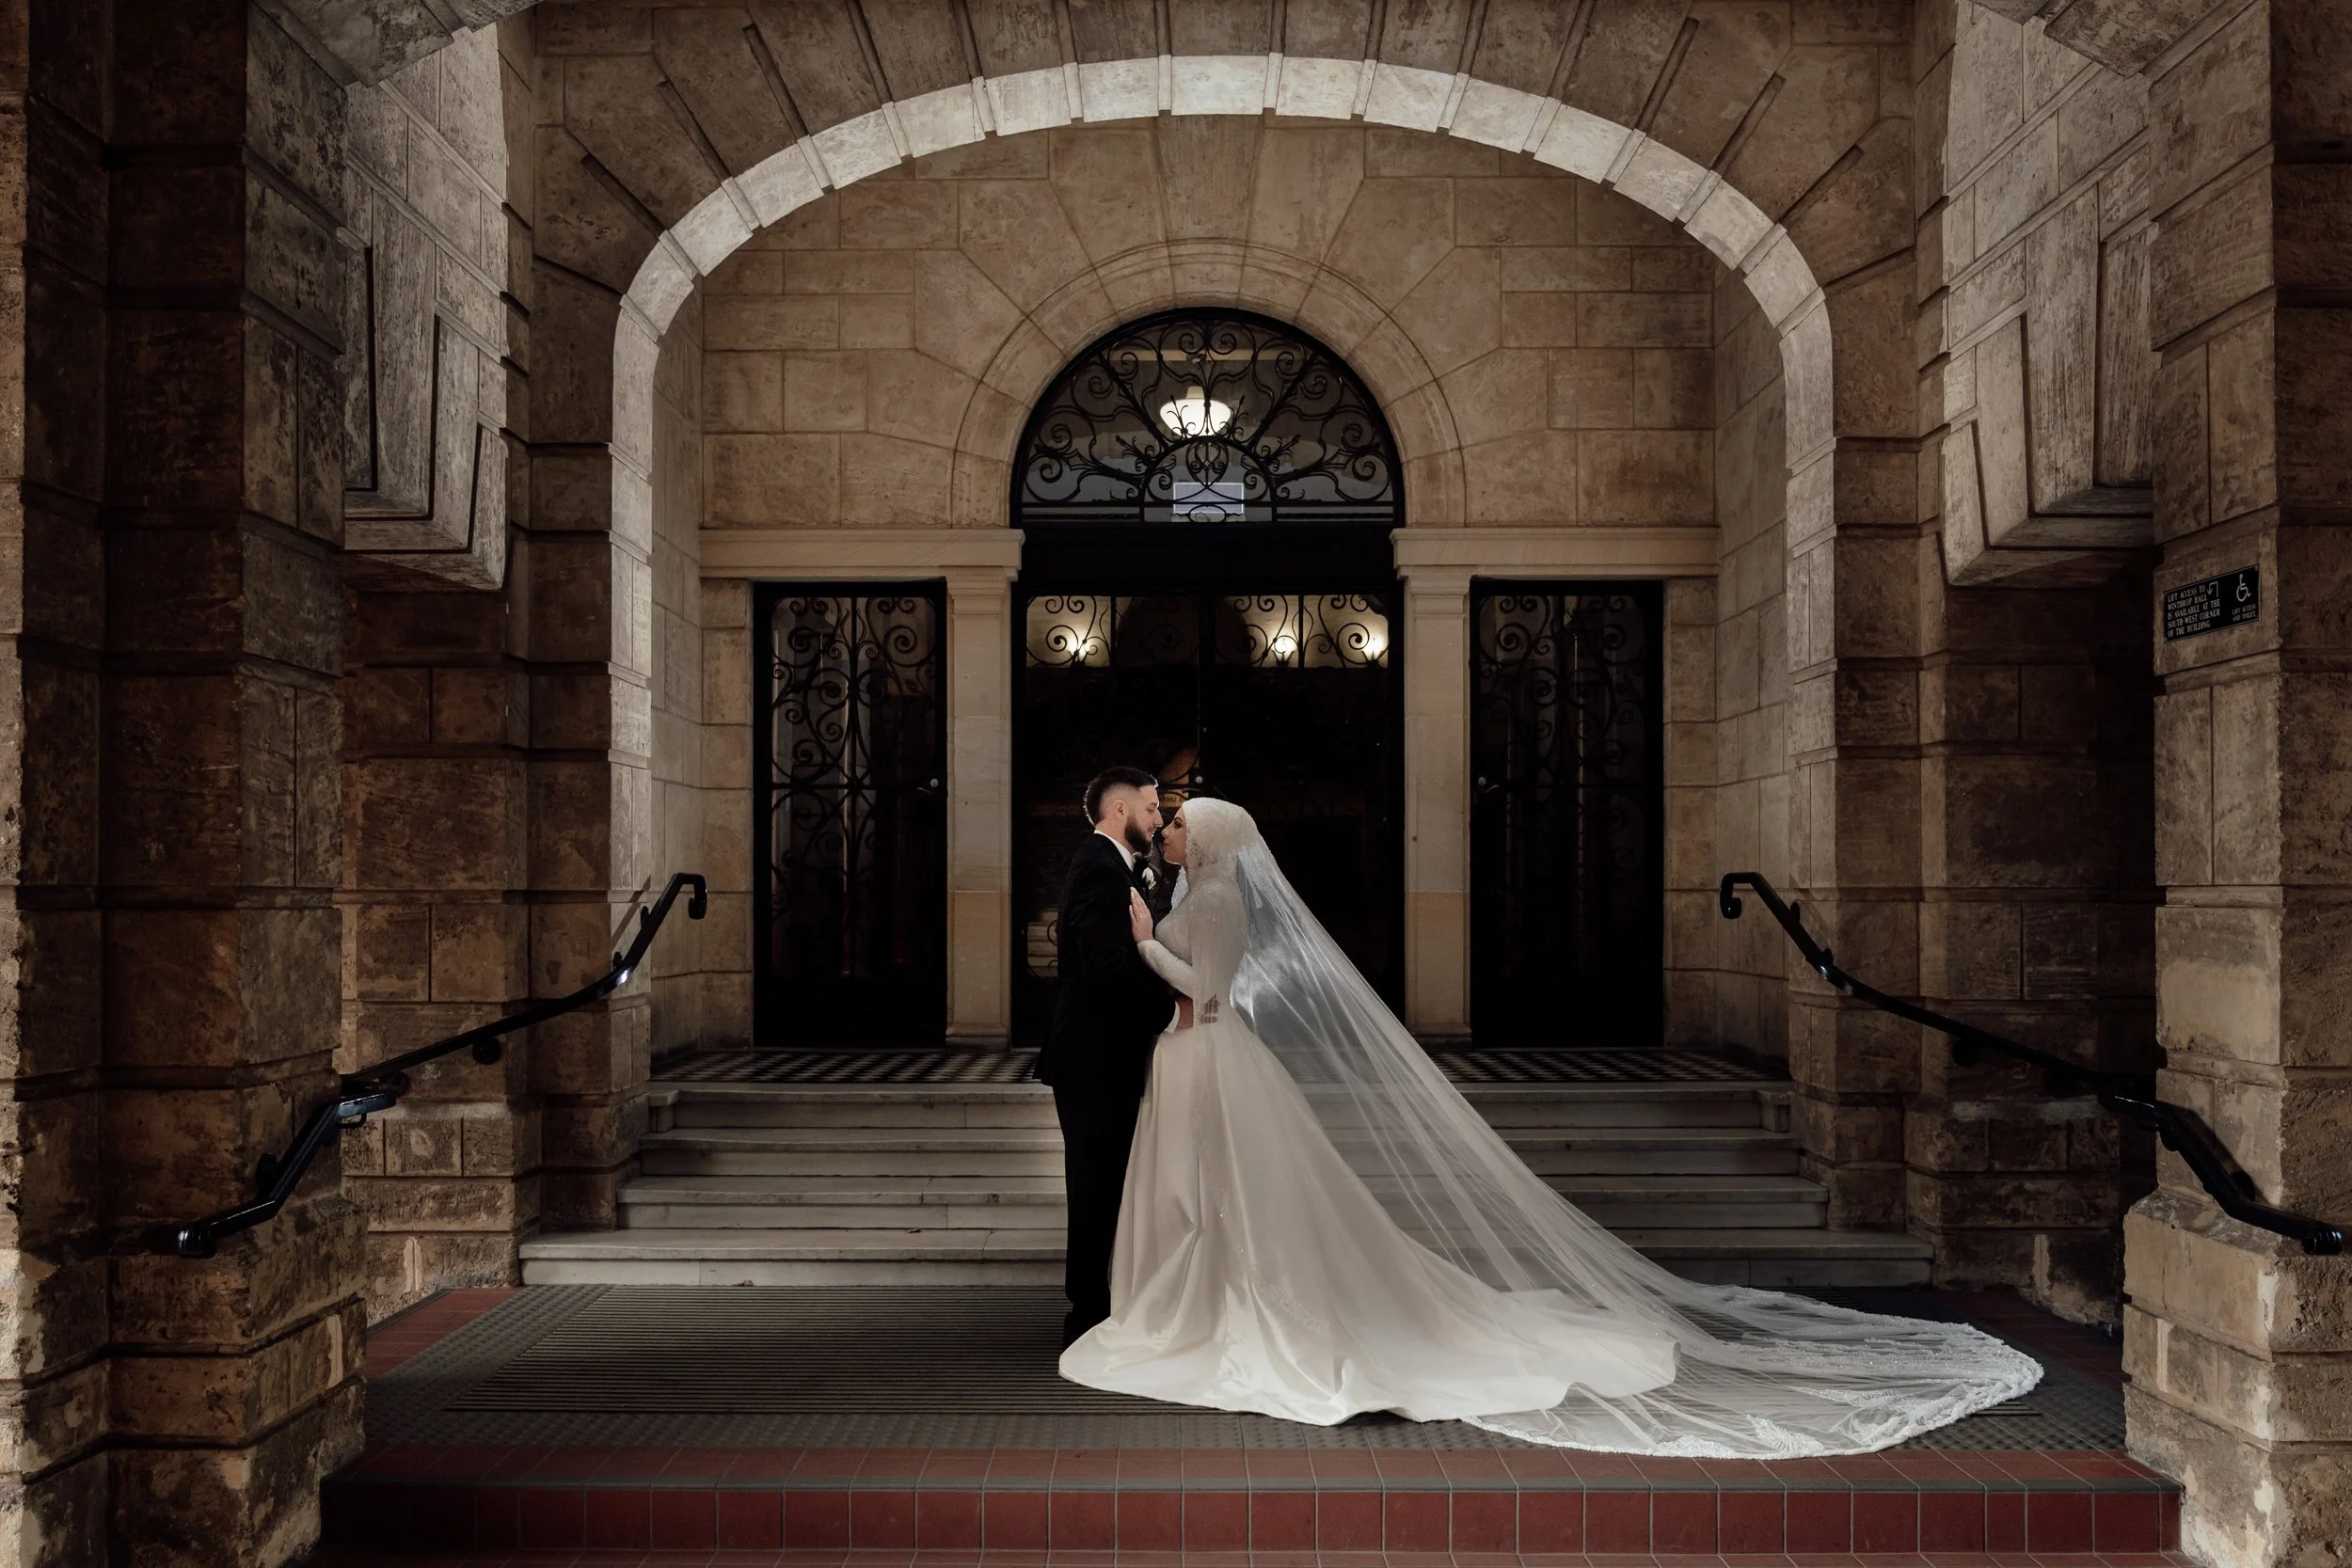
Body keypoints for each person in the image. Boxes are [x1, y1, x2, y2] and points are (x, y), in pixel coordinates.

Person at [1059, 798, 2042, 1455]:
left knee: (1234, 1199)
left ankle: (1226, 1310)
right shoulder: (1189, 888)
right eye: (1168, 815)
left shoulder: (1218, 898)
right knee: (1203, 1198)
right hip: (1187, 1066)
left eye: (1183, 819)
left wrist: (1150, 952)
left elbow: (1216, 991)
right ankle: (1183, 1297)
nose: (1171, 826)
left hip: (1216, 1058)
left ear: (1218, 840)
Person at [1035, 767, 1179, 1348]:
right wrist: (1171, 1011)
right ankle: (1088, 1314)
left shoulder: (1116, 866)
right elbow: (1106, 968)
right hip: (1094, 1058)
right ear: (1120, 812)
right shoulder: (1098, 868)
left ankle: (1101, 1303)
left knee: (1106, 1182)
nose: (1158, 819)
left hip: (1105, 1055)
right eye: (1150, 808)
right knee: (1095, 1185)